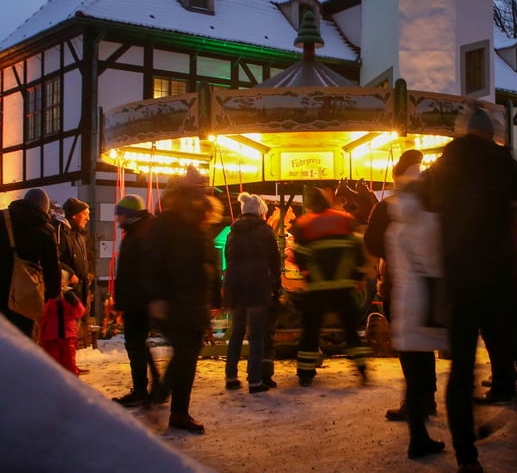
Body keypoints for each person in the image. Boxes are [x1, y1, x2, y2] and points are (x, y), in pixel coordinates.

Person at [419, 105, 517, 473]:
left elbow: (420, 202)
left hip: (459, 281)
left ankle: (467, 458)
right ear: (490, 133)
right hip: (500, 279)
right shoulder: (497, 160)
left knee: (461, 370)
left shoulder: (440, 169)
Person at [363, 149, 447, 459]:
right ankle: (428, 399)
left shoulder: (390, 210)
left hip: (399, 288)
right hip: (431, 291)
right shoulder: (434, 212)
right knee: (425, 351)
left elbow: (372, 242)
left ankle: (416, 410)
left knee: (411, 355)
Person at [144, 167, 220, 434]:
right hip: (173, 299)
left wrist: (215, 297)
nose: (200, 194)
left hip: (195, 301)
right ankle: (168, 398)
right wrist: (156, 296)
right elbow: (153, 260)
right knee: (185, 354)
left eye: (202, 189)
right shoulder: (166, 223)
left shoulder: (202, 222)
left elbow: (209, 260)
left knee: (188, 357)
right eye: (196, 190)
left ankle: (177, 409)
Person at [290, 185, 371, 387]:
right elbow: (358, 251)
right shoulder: (344, 220)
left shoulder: (304, 224)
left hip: (317, 289)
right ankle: (362, 370)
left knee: (310, 331)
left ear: (309, 205)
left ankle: (305, 374)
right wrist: (357, 276)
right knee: (351, 330)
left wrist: (307, 275)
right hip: (343, 287)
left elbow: (299, 255)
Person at [0, 188, 62, 337]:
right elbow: (52, 270)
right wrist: (49, 296)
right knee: (21, 341)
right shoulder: (46, 230)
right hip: (25, 295)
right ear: (45, 208)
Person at [223, 192, 282, 394]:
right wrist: (276, 287)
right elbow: (275, 261)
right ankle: (255, 380)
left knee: (237, 332)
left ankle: (230, 376)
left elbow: (227, 258)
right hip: (257, 286)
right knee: (257, 335)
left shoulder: (232, 232)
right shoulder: (265, 232)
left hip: (235, 286)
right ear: (260, 213)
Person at [110, 194, 163, 407]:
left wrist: (125, 301)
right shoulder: (140, 231)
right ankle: (154, 385)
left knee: (135, 345)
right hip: (139, 299)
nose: (117, 219)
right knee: (139, 345)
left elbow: (133, 272)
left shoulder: (139, 235)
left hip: (138, 300)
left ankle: (143, 389)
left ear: (129, 215)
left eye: (120, 215)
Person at [56, 197, 94, 352]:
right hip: (68, 293)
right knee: (66, 329)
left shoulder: (78, 235)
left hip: (80, 290)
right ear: (75, 215)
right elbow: (54, 258)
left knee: (73, 330)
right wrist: (69, 274)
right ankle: (64, 365)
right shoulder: (61, 231)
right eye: (85, 214)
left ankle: (70, 363)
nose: (88, 218)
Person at [39, 269, 87, 375]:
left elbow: (79, 312)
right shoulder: (47, 295)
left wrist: (74, 302)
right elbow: (42, 315)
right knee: (53, 364)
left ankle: (70, 385)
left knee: (69, 363)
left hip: (66, 335)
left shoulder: (68, 295)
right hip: (52, 336)